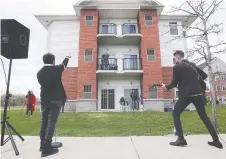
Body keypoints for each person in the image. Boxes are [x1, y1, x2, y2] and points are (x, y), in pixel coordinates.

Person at [161, 50, 223, 149]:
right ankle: (216, 141)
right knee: (204, 117)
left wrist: (166, 87)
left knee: (176, 112)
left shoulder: (177, 67)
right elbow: (204, 75)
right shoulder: (192, 65)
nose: (174, 61)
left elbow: (174, 83)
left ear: (178, 57)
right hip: (198, 93)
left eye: (174, 59)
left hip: (186, 94)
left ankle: (181, 139)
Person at [37, 53, 70, 157]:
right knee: (52, 123)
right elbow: (64, 64)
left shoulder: (39, 73)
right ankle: (47, 148)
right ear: (53, 60)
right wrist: (67, 57)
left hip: (44, 100)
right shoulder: (56, 69)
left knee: (44, 122)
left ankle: (42, 145)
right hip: (55, 100)